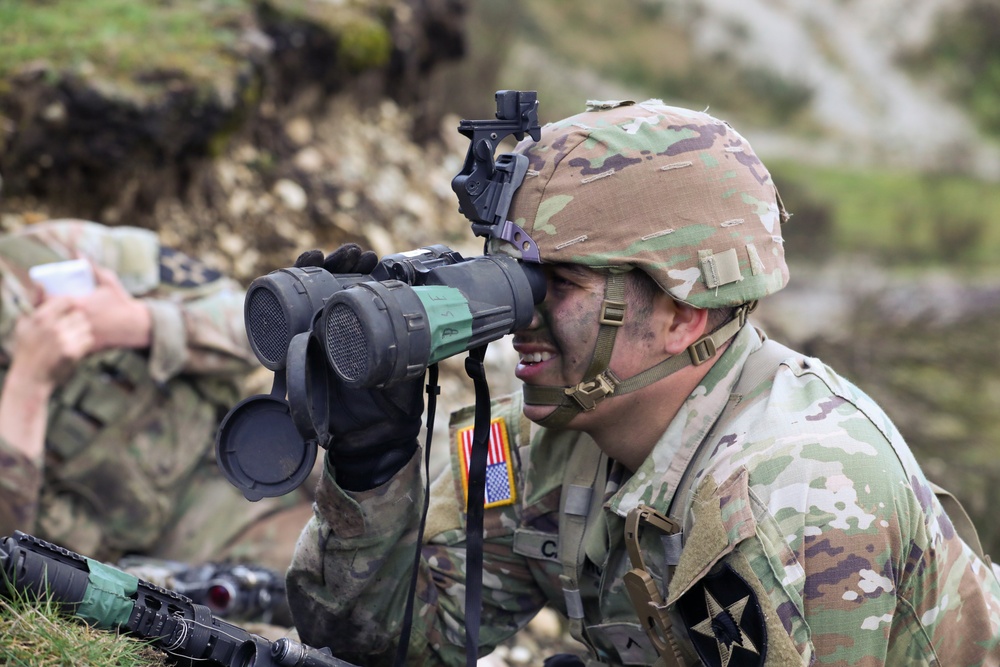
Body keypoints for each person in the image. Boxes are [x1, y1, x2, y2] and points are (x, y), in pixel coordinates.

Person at [284, 100, 1000, 666]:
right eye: (510, 280)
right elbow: (399, 640)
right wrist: (372, 465)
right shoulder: (539, 442)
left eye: (556, 283)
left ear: (683, 313)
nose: (517, 318)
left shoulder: (797, 493)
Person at [0, 219, 311, 570]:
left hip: (270, 431)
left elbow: (269, 322)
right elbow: (12, 558)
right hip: (198, 554)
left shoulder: (58, 252)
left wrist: (143, 323)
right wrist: (28, 386)